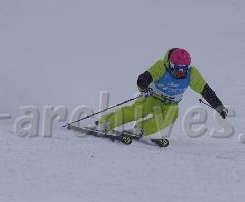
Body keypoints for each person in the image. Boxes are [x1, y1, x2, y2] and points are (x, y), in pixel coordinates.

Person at [95, 48, 228, 138]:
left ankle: (140, 129)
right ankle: (106, 123)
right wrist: (144, 88)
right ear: (170, 64)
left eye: (184, 69)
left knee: (166, 119)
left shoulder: (192, 74)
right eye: (177, 69)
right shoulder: (161, 67)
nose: (180, 73)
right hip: (152, 97)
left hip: (170, 105)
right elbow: (143, 78)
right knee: (136, 111)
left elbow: (206, 91)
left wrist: (219, 106)